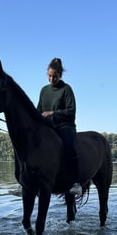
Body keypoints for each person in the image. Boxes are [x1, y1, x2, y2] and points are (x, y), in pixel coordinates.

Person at [37, 58, 82, 196]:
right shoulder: (44, 90)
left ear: (60, 75)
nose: (52, 79)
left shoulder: (66, 89)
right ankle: (27, 183)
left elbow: (71, 111)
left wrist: (52, 113)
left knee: (69, 148)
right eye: (49, 76)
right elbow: (38, 110)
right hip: (48, 128)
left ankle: (76, 183)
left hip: (64, 126)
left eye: (54, 76)